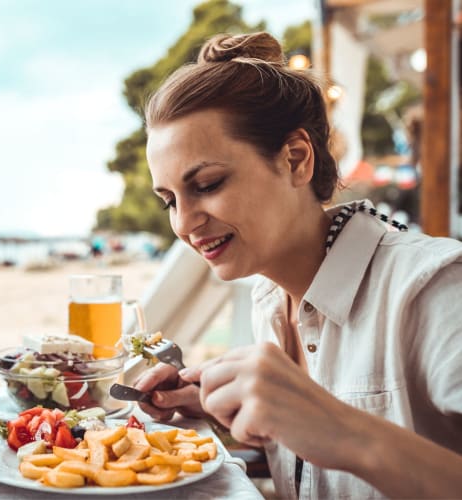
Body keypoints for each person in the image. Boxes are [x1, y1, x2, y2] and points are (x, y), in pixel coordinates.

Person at [135, 31, 462, 498]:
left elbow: (337, 435)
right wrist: (228, 411)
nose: (184, 222)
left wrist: (345, 432)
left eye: (207, 184)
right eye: (169, 199)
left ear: (295, 159)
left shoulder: (435, 286)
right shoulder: (268, 298)